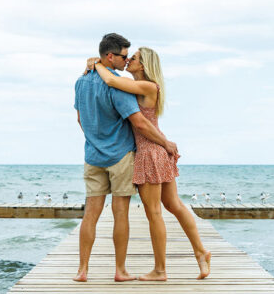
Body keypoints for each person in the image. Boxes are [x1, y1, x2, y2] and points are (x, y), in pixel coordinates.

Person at [86, 46, 211, 281]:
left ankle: (161, 270)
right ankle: (201, 252)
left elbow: (112, 83)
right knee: (174, 205)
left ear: (143, 65)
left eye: (132, 58)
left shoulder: (147, 86)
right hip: (157, 149)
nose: (128, 60)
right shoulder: (141, 86)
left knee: (155, 212)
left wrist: (99, 64)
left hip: (149, 151)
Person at [74, 33, 178, 283]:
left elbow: (79, 118)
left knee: (91, 213)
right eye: (123, 56)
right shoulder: (116, 85)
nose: (126, 60)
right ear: (110, 56)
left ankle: (82, 270)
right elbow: (139, 122)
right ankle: (120, 270)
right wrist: (166, 143)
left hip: (92, 156)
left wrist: (95, 140)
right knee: (121, 212)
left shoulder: (80, 81)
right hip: (120, 155)